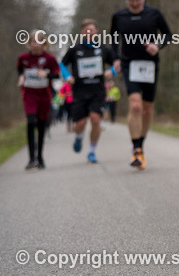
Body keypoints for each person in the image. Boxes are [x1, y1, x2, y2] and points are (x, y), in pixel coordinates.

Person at [110, 0, 172, 169]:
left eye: (138, 0)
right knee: (135, 104)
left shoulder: (154, 14)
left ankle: (140, 145)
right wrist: (115, 59)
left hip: (150, 64)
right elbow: (113, 38)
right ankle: (136, 149)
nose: (135, 3)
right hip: (129, 63)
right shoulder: (119, 16)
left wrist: (158, 45)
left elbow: (168, 35)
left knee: (146, 109)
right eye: (131, 0)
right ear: (127, 0)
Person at [62, 19, 116, 163]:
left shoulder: (104, 49)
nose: (89, 32)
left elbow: (117, 63)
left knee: (95, 120)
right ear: (82, 32)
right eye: (86, 30)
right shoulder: (74, 49)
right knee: (79, 124)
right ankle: (79, 137)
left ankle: (92, 150)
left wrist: (112, 72)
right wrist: (67, 76)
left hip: (97, 91)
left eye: (91, 30)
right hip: (79, 91)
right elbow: (62, 64)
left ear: (96, 31)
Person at [17, 30, 61, 169]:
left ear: (44, 43)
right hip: (29, 94)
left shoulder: (50, 58)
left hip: (44, 95)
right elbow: (20, 70)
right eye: (33, 41)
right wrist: (21, 78)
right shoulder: (23, 57)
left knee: (41, 125)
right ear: (29, 43)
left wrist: (46, 75)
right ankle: (31, 159)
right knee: (31, 122)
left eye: (39, 41)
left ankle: (40, 157)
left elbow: (57, 76)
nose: (36, 44)